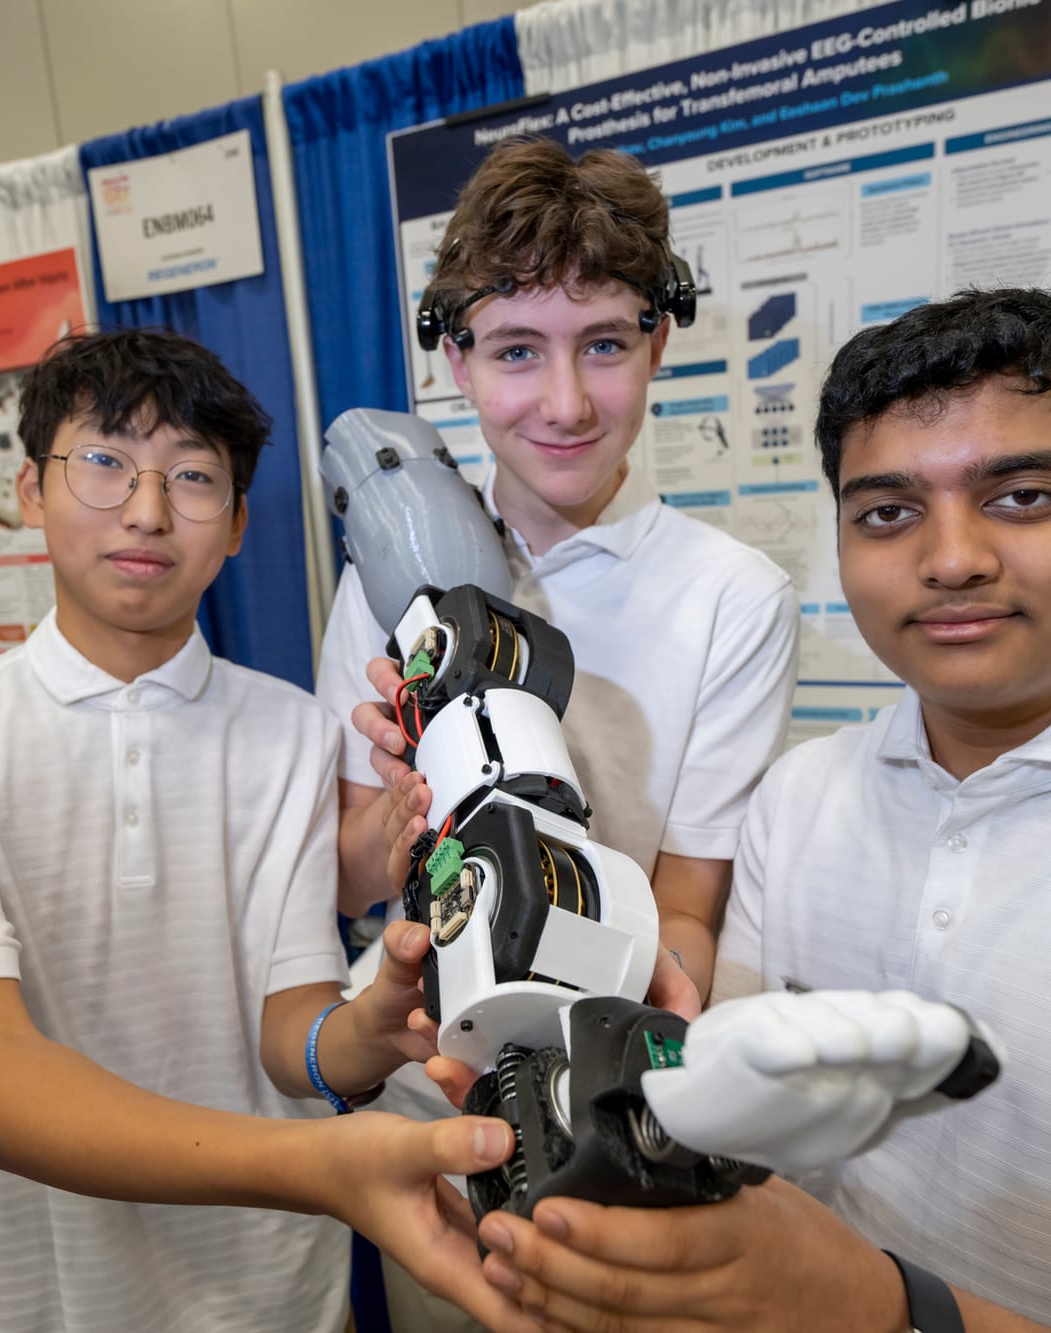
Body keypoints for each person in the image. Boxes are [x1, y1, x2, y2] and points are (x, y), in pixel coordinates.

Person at [462, 288, 1051, 1331]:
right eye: (887, 512)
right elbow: (736, 1131)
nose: (951, 558)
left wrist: (874, 1308)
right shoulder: (799, 799)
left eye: (1021, 496)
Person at [0, 328, 529, 1333]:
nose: (149, 512)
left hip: (273, 1282)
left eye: (192, 478)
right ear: (30, 489)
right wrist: (320, 1164)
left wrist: (364, 1033)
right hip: (51, 1284)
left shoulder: (290, 727)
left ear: (239, 523)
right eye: (104, 463)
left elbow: (290, 1030)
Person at [317, 134, 801, 1330]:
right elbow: (347, 868)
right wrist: (400, 810)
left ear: (658, 340)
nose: (566, 402)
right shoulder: (378, 586)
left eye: (604, 344)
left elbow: (688, 894)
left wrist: (649, 998)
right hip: (427, 1084)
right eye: (516, 352)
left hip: (611, 1079)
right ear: (453, 359)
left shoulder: (731, 595)